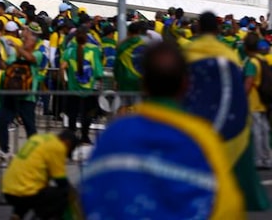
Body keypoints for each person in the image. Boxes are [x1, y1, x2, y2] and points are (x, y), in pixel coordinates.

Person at [80, 42, 244, 219]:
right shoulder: (203, 137)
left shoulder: (114, 134)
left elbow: (89, 195)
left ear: (144, 84)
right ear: (186, 84)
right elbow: (227, 207)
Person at [184, 11, 268, 210]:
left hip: (194, 117)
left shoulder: (187, 51)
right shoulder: (227, 54)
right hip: (223, 115)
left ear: (200, 28)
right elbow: (236, 87)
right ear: (217, 29)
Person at [1, 129, 78, 220]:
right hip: (25, 192)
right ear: (67, 143)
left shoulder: (38, 138)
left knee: (32, 188)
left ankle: (17, 215)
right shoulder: (58, 146)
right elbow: (60, 180)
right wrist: (74, 192)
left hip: (8, 189)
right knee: (64, 194)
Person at [0, 26, 43, 162]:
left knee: (30, 125)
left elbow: (30, 58)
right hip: (11, 94)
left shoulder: (38, 54)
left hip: (27, 96)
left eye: (27, 40)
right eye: (24, 39)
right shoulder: (16, 54)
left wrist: (17, 47)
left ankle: (34, 152)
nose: (24, 41)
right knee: (3, 122)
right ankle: (4, 150)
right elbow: (6, 66)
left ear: (34, 42)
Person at [61, 27, 103, 144]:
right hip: (90, 89)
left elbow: (62, 66)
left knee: (72, 113)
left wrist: (64, 81)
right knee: (88, 114)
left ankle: (71, 136)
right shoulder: (93, 50)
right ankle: (85, 135)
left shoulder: (69, 50)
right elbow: (99, 71)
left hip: (73, 88)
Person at [243, 32, 272, 169]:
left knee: (256, 131)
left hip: (253, 101)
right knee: (265, 130)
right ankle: (267, 158)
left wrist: (242, 97)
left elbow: (249, 82)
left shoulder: (252, 62)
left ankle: (259, 159)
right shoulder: (263, 59)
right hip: (264, 100)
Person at [113, 21, 146, 93]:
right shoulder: (144, 46)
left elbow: (117, 66)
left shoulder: (121, 47)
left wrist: (116, 80)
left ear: (128, 32)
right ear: (139, 32)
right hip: (139, 82)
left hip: (124, 81)